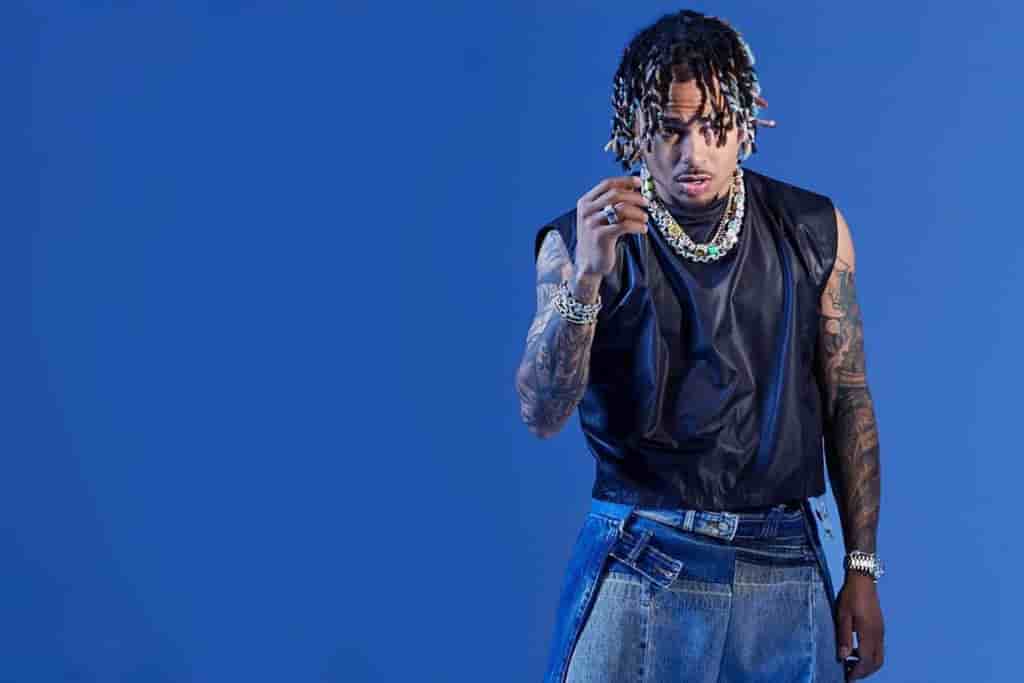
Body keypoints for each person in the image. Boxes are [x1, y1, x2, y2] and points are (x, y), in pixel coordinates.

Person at [514, 10, 885, 683]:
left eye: (714, 127)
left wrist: (860, 568)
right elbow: (541, 413)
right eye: (671, 130)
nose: (694, 153)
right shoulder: (579, 242)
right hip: (644, 553)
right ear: (635, 132)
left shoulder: (814, 230)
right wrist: (587, 279)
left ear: (746, 125)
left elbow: (849, 402)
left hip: (784, 564)